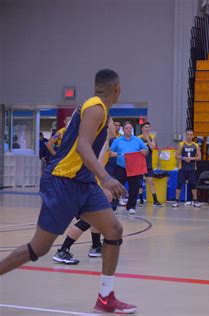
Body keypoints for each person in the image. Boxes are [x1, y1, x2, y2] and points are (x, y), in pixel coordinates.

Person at [0, 69, 137, 313]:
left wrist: (98, 179)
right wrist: (106, 178)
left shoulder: (98, 109)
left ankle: (106, 298)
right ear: (116, 88)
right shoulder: (96, 108)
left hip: (83, 183)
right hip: (62, 183)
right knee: (39, 248)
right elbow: (84, 148)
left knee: (114, 228)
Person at [53, 118, 117, 264]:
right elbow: (96, 168)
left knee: (97, 216)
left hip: (82, 184)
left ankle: (95, 246)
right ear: (106, 126)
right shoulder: (102, 144)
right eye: (114, 124)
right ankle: (62, 250)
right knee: (87, 220)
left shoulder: (102, 143)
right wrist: (103, 188)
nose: (115, 127)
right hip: (82, 185)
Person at [110, 122, 148, 215]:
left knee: (134, 188)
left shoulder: (138, 140)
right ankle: (113, 206)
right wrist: (113, 154)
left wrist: (144, 151)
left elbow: (146, 150)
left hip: (134, 168)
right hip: (121, 168)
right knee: (117, 188)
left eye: (130, 128)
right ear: (123, 129)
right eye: (127, 128)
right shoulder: (117, 140)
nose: (129, 130)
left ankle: (131, 206)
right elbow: (110, 151)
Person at [172, 128, 202, 208]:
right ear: (186, 135)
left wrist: (191, 158)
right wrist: (183, 158)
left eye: (191, 135)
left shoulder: (196, 145)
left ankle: (195, 201)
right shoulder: (181, 144)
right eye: (188, 134)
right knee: (179, 184)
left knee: (193, 184)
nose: (189, 136)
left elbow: (199, 157)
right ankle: (176, 200)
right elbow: (176, 156)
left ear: (193, 136)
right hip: (182, 168)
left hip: (192, 168)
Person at [138, 121, 162, 207]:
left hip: (148, 164)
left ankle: (155, 200)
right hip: (140, 164)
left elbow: (152, 147)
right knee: (139, 182)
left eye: (148, 127)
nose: (147, 129)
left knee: (151, 182)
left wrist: (148, 138)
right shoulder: (138, 138)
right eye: (145, 127)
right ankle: (140, 199)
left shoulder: (152, 138)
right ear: (142, 128)